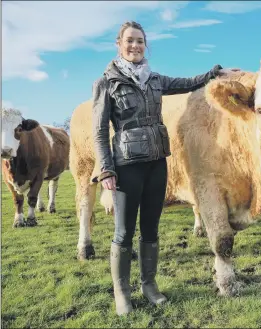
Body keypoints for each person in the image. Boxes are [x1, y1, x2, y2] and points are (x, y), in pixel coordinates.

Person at [92, 20, 239, 316]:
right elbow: (99, 131)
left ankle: (149, 285)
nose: (135, 46)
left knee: (151, 229)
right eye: (130, 41)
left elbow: (188, 83)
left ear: (146, 46)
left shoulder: (155, 79)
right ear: (119, 44)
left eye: (140, 41)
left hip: (158, 163)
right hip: (126, 166)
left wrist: (215, 73)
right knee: (123, 233)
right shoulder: (106, 82)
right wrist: (106, 169)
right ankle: (122, 293)